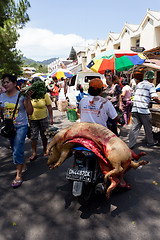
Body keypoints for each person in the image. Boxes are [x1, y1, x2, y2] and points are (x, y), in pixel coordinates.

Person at [0, 74, 33, 187]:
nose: (5, 84)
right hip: (9, 128)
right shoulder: (1, 97)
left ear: (15, 83)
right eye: (4, 82)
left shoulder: (21, 95)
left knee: (17, 148)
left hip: (21, 126)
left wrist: (28, 99)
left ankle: (18, 175)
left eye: (7, 82)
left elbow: (29, 112)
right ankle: (23, 165)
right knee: (15, 148)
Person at [129, 70, 160, 148]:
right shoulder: (151, 85)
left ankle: (130, 144)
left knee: (134, 128)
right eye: (153, 78)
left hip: (135, 108)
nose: (153, 80)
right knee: (148, 127)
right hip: (143, 109)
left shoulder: (139, 84)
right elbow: (155, 97)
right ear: (150, 78)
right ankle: (150, 141)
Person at [28, 77, 53, 161]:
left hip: (43, 118)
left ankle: (45, 149)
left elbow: (49, 107)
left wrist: (51, 119)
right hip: (32, 118)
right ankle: (34, 153)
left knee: (44, 135)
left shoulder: (44, 94)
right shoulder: (30, 95)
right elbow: (26, 107)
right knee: (33, 136)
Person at [102, 69, 122, 135]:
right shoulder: (107, 87)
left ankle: (115, 134)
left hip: (114, 105)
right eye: (106, 79)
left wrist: (120, 105)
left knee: (113, 121)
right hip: (107, 106)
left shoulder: (116, 86)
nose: (107, 81)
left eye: (108, 79)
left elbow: (120, 95)